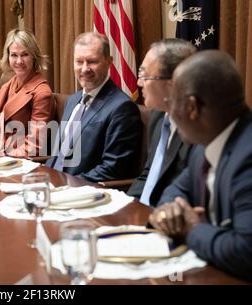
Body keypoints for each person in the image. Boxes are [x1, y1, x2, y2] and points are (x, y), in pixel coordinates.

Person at [149, 50, 252, 281]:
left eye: (171, 101)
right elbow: (177, 189)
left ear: (192, 107)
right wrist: (169, 211)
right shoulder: (204, 145)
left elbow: (246, 251)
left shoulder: (247, 157)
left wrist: (191, 230)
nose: (170, 111)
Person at [45, 32, 142, 182]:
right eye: (79, 61)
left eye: (92, 61)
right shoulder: (72, 100)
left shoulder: (122, 108)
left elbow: (113, 168)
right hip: (52, 184)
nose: (84, 69)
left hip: (82, 192)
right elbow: (58, 155)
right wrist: (43, 178)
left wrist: (66, 184)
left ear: (109, 62)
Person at [127, 39, 196, 206]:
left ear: (172, 83)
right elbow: (148, 174)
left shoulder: (196, 129)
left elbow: (186, 191)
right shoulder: (158, 116)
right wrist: (126, 206)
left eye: (145, 75)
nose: (138, 83)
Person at [0, 29, 54, 157]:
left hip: (19, 162)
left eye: (24, 55)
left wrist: (4, 156)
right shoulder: (7, 86)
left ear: (34, 56)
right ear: (8, 57)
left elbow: (34, 145)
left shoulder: (42, 92)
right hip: (0, 156)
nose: (19, 61)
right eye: (14, 55)